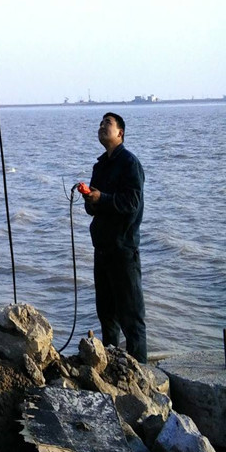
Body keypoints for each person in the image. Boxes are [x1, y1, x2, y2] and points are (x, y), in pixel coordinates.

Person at [82, 111, 147, 362]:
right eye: (100, 123)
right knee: (107, 316)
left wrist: (102, 198)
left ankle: (141, 372)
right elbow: (93, 209)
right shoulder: (99, 166)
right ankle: (111, 367)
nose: (101, 126)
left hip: (123, 249)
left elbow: (132, 202)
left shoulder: (130, 163)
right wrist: (91, 200)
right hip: (102, 249)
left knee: (131, 319)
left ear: (120, 133)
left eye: (107, 123)